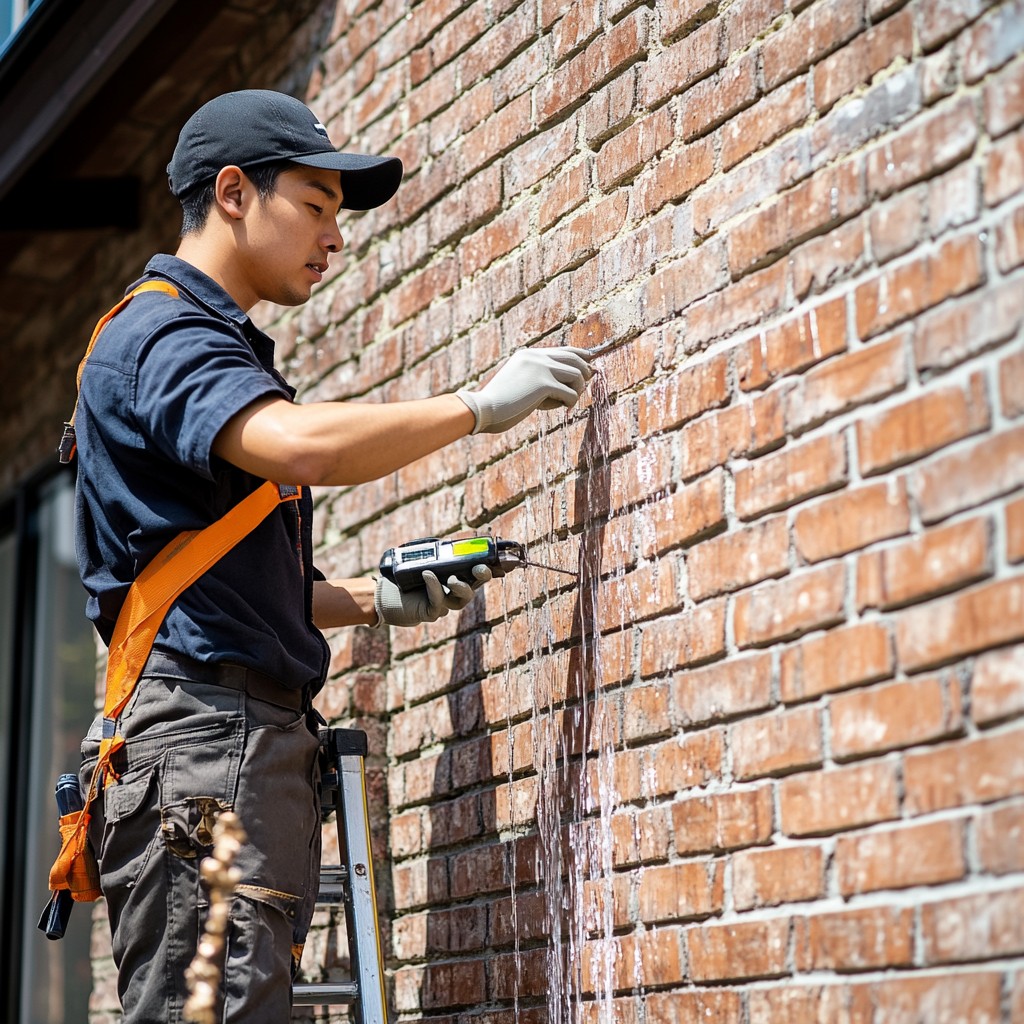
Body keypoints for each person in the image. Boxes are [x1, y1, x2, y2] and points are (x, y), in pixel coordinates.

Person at [73, 89, 594, 1022]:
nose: (334, 237)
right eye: (314, 206)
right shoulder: (164, 335)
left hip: (217, 744)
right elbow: (304, 447)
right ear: (234, 193)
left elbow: (206, 584)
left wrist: (371, 598)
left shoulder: (196, 340)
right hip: (206, 747)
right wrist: (480, 406)